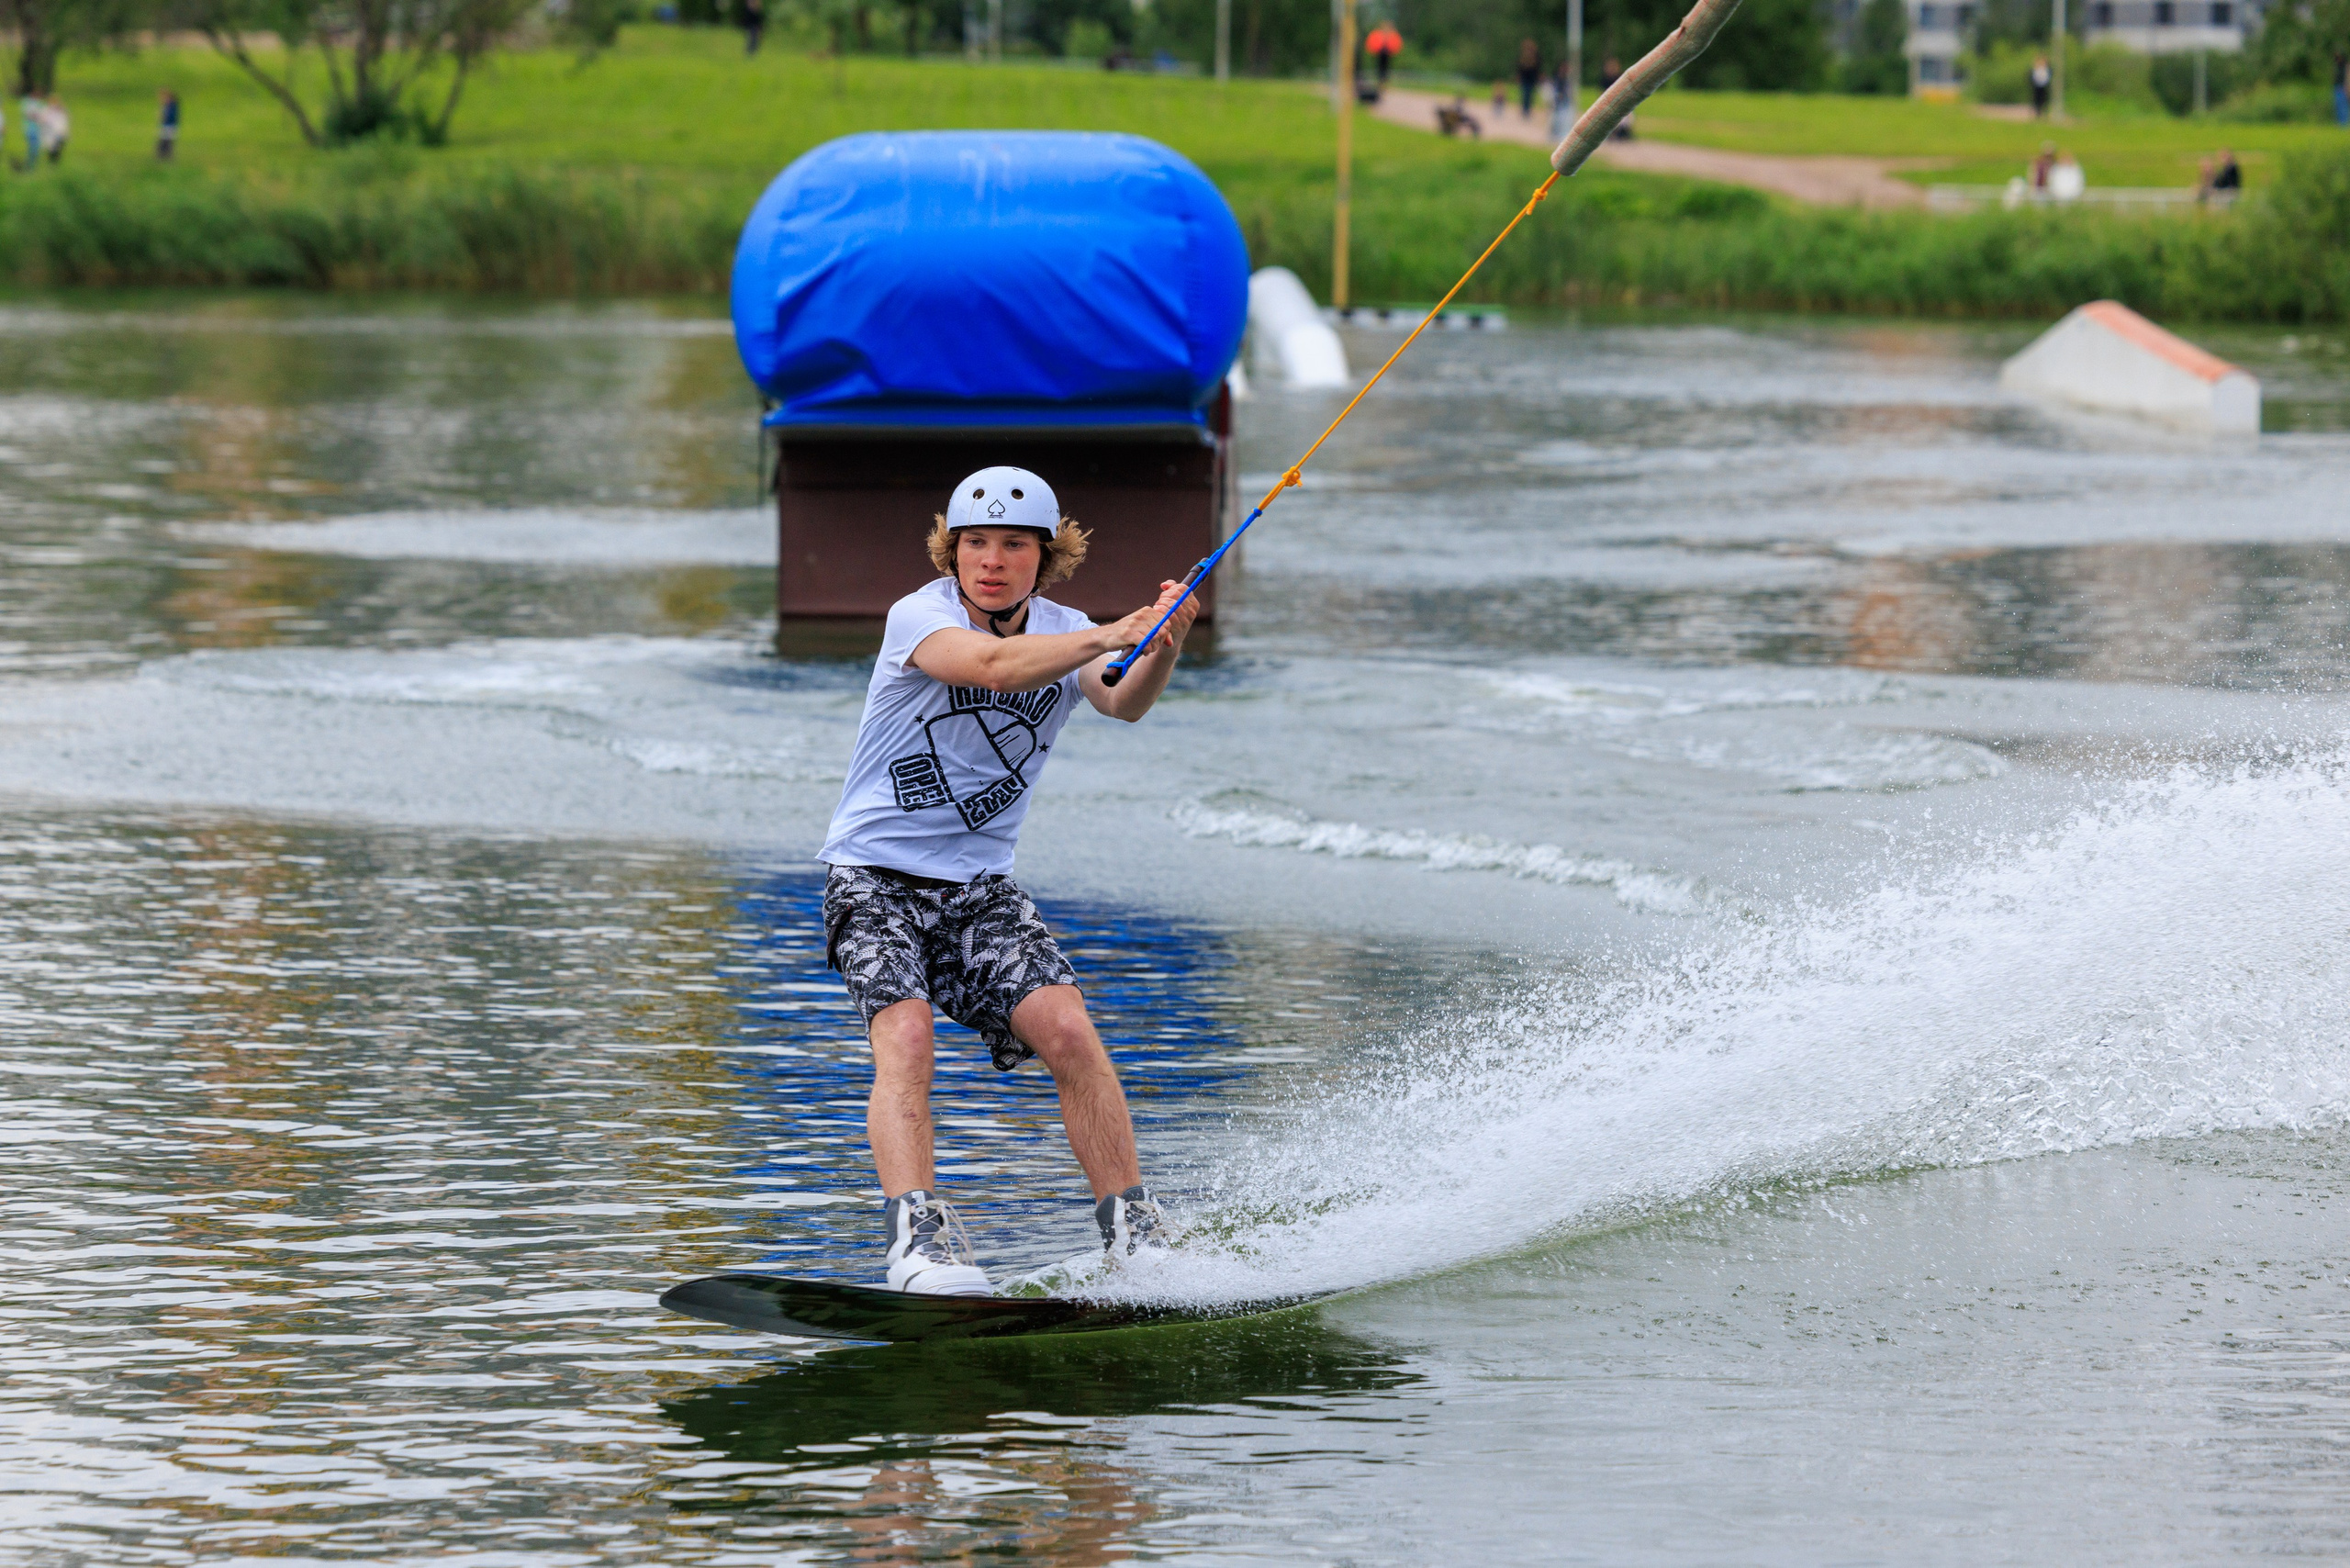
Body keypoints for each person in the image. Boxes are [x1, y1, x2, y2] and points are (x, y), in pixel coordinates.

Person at [819, 466, 1199, 1295]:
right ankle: (919, 1242)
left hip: (981, 891)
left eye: (1013, 545)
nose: (991, 561)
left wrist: (1158, 646)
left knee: (1068, 1031)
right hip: (874, 881)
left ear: (1046, 555)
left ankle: (1135, 1232)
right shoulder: (918, 617)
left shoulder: (1066, 630)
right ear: (952, 552)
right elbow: (991, 666)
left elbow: (1122, 701)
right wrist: (1108, 633)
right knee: (907, 1036)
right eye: (975, 544)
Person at [1599, 57, 1634, 139]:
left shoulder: (1619, 77)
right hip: (1609, 102)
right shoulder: (1605, 79)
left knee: (1627, 117)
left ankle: (1623, 132)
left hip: (1620, 102)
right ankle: (1613, 133)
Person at [1366, 21, 1401, 89]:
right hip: (1379, 53)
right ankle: (1380, 82)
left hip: (1387, 54)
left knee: (1385, 69)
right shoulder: (1378, 34)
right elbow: (1373, 43)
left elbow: (1396, 44)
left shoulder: (1392, 35)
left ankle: (1384, 82)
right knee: (1380, 68)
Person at [1516, 37, 1541, 119]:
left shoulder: (1535, 56)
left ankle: (1527, 110)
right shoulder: (1524, 56)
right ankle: (1525, 111)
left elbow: (1538, 67)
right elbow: (1520, 68)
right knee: (1526, 94)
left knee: (1529, 95)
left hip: (1531, 79)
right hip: (1526, 78)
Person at [39, 95, 67, 165]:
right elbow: (42, 120)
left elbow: (64, 123)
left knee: (57, 150)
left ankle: (54, 163)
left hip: (59, 133)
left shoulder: (61, 111)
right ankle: (52, 164)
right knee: (51, 150)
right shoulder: (46, 110)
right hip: (50, 134)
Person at [157, 89, 181, 161]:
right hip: (166, 126)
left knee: (167, 143)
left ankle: (166, 157)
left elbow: (170, 116)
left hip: (170, 126)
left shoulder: (172, 106)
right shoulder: (168, 106)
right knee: (163, 143)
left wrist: (163, 115)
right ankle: (163, 157)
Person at [2030, 54, 2052, 118]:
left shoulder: (2046, 70)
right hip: (2037, 86)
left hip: (2044, 86)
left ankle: (2043, 111)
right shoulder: (2036, 69)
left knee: (2043, 99)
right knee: (2037, 99)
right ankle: (2038, 112)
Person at [2333, 51, 2346, 127]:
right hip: (2337, 87)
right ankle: (2340, 122)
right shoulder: (2337, 66)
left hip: (2343, 87)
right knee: (2338, 105)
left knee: (2343, 105)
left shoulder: (2345, 65)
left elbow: (2347, 77)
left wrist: (2347, 88)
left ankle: (2344, 123)